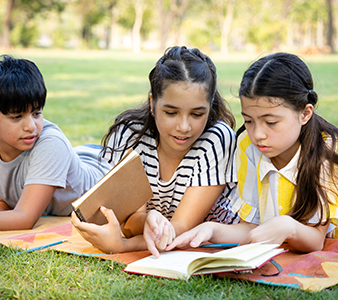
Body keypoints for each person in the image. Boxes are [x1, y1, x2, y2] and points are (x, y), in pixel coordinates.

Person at [72, 46, 239, 256]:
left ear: (210, 106)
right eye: (171, 112)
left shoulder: (216, 140)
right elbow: (129, 223)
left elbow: (181, 229)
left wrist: (122, 246)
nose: (184, 127)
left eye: (197, 114)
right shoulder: (131, 136)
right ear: (152, 103)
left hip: (212, 237)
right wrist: (148, 219)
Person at [167, 52, 338, 253]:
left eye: (271, 122)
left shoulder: (327, 152)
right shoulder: (247, 146)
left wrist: (287, 227)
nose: (258, 134)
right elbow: (251, 227)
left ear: (305, 113)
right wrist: (211, 229)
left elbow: (316, 240)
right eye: (248, 120)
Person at [0, 55, 110, 233]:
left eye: (36, 113)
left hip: (105, 171)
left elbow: (24, 217)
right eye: (17, 117)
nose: (31, 126)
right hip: (77, 155)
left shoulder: (50, 143)